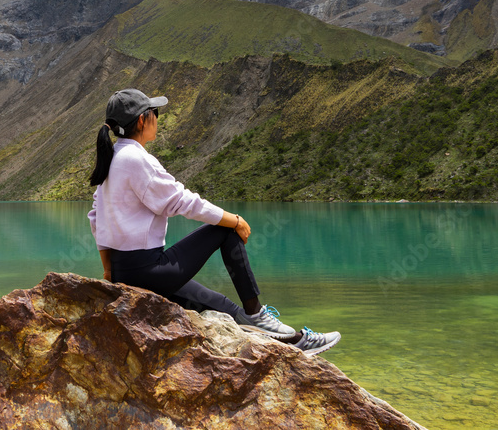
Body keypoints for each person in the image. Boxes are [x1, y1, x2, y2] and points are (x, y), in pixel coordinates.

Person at [87, 88, 340, 355]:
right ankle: (256, 312)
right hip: (150, 271)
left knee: (224, 309)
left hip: (130, 273)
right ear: (142, 120)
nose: (157, 119)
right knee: (224, 230)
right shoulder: (137, 159)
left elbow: (95, 215)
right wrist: (235, 219)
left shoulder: (112, 158)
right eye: (155, 113)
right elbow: (182, 201)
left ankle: (296, 345)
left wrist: (109, 271)